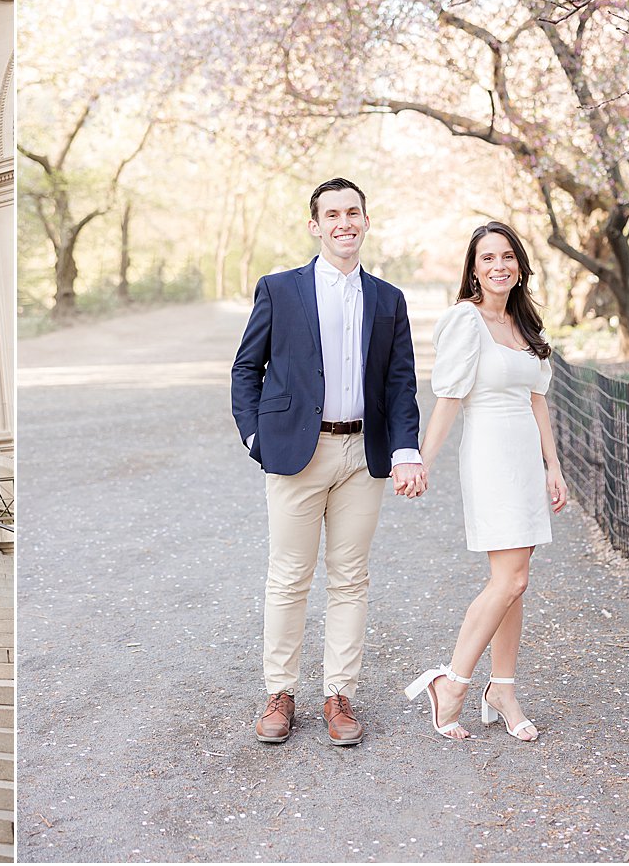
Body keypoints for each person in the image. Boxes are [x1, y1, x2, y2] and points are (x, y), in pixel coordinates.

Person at [231, 177, 425, 747]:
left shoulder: (388, 299)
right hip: (296, 451)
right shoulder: (279, 289)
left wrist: (406, 448)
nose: (345, 222)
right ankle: (280, 693)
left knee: (349, 579)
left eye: (354, 212)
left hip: (363, 455)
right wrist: (254, 438)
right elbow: (247, 369)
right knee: (289, 578)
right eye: (332, 214)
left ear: (366, 221)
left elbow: (400, 382)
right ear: (315, 225)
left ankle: (339, 695)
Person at [404, 221, 569, 741]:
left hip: (525, 457)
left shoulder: (525, 326)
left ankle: (503, 687)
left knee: (517, 584)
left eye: (507, 257)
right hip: (490, 456)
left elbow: (537, 399)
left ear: (519, 265)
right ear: (473, 270)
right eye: (487, 258)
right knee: (510, 579)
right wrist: (421, 459)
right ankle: (451, 683)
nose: (499, 266)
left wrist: (554, 466)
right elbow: (448, 398)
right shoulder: (464, 321)